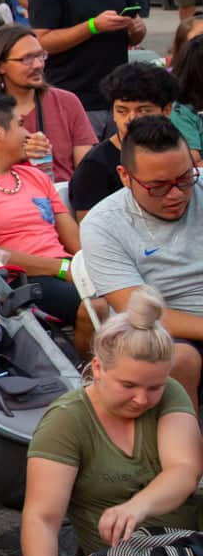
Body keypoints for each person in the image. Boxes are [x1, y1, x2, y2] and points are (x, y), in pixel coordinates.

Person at [25, 289, 202, 556]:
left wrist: (137, 506)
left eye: (154, 387)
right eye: (128, 385)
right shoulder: (67, 419)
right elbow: (42, 516)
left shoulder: (169, 393)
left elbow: (184, 470)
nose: (142, 399)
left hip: (189, 552)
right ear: (98, 369)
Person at [77, 116, 203, 399]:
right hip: (162, 328)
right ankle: (183, 442)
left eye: (185, 179)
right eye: (158, 186)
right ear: (124, 176)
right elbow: (137, 313)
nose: (176, 194)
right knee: (180, 359)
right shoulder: (103, 224)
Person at [0, 96, 86, 344]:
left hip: (66, 271)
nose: (28, 134)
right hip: (18, 280)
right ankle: (90, 374)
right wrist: (60, 269)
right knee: (94, 307)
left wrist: (92, 268)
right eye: (20, 124)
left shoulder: (34, 176)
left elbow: (76, 242)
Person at [29, 0, 147, 130]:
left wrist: (137, 30)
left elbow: (134, 34)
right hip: (74, 96)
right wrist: (93, 27)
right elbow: (42, 41)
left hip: (117, 97)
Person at [0, 22, 91, 185]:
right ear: (0, 66)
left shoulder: (67, 102)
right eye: (26, 59)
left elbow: (86, 170)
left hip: (65, 197)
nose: (38, 64)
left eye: (40, 55)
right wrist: (20, 152)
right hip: (9, 200)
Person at [68, 62, 175, 216]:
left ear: (166, 110)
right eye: (122, 111)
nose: (131, 119)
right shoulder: (95, 167)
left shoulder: (176, 149)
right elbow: (89, 229)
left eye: (143, 111)